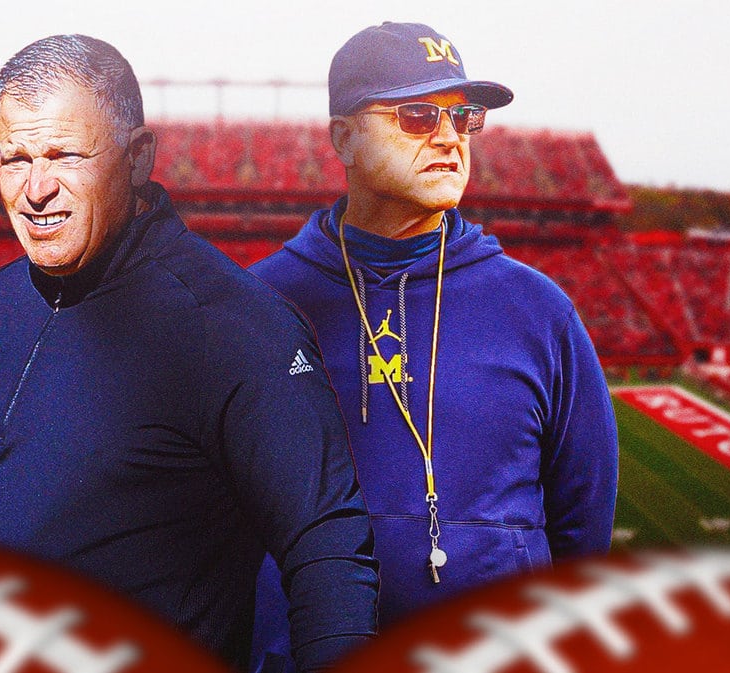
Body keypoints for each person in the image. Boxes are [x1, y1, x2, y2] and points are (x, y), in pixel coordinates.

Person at [0, 34, 378, 673]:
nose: (35, 188)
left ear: (138, 157)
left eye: (64, 154)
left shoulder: (236, 326)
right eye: (14, 158)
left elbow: (327, 549)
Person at [250, 21, 619, 670]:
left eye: (462, 117)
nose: (449, 136)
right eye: (418, 116)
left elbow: (581, 532)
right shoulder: (255, 308)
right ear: (343, 136)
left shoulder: (539, 312)